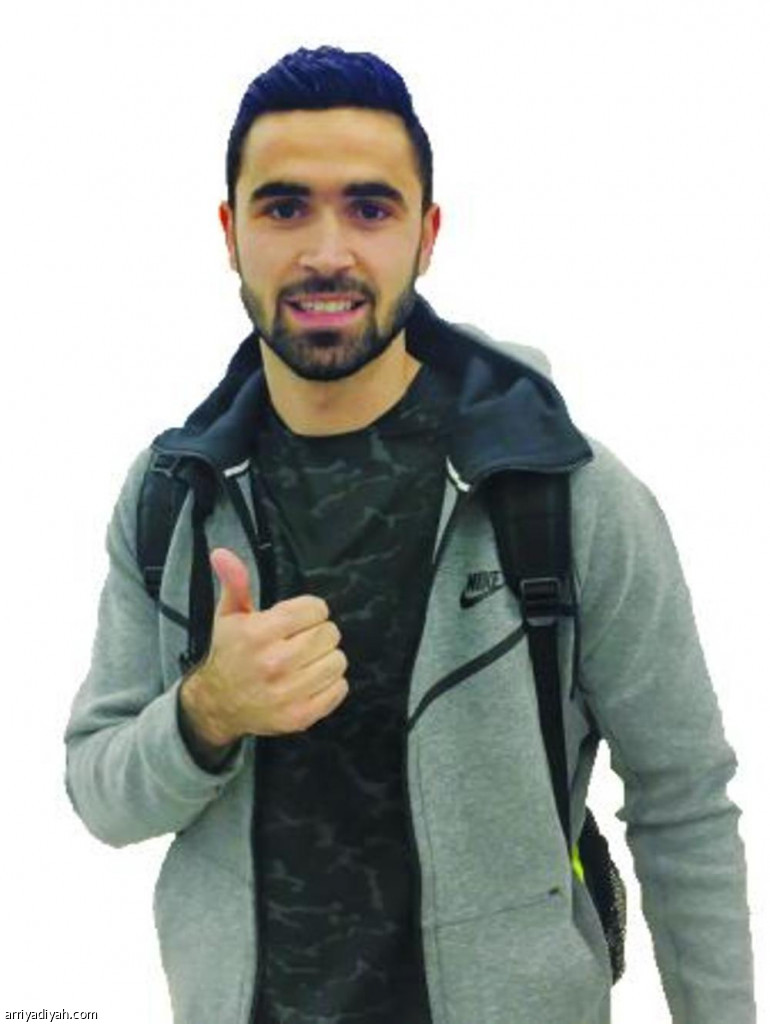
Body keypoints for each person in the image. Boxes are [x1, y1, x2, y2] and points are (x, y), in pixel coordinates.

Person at [64, 45, 755, 1024]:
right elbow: (100, 793)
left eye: (370, 208)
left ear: (427, 235)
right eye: (284, 207)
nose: (327, 252)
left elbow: (681, 802)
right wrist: (206, 711)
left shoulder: (565, 495)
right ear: (229, 232)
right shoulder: (173, 495)